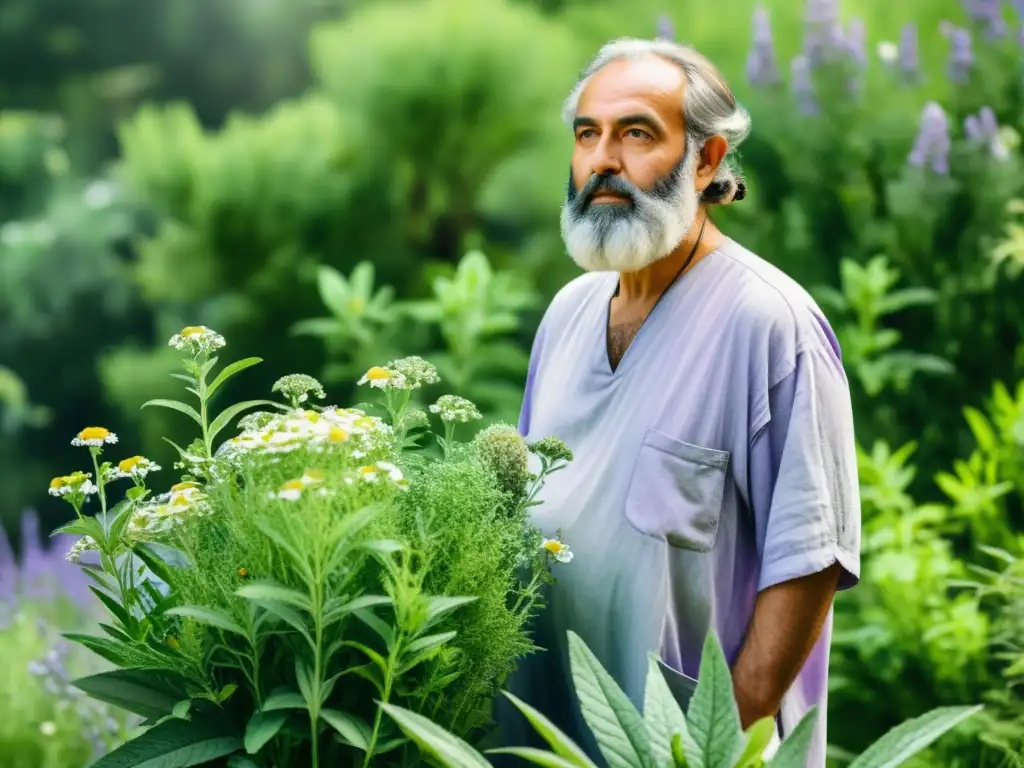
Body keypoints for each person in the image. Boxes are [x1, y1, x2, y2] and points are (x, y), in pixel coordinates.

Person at [498, 38, 861, 768]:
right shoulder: (567, 315)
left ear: (705, 159)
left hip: (683, 751)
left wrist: (712, 749)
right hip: (547, 741)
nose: (603, 159)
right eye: (586, 134)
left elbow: (810, 562)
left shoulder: (769, 324)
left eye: (636, 134)